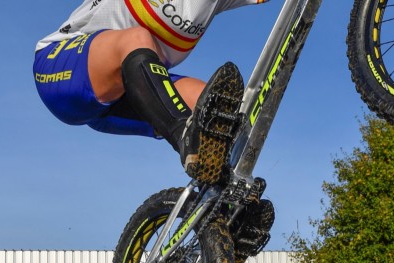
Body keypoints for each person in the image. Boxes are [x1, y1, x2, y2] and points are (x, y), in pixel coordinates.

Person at [34, 1, 270, 184]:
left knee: (215, 106)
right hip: (63, 73)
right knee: (137, 37)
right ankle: (183, 134)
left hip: (130, 93)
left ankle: (222, 202)